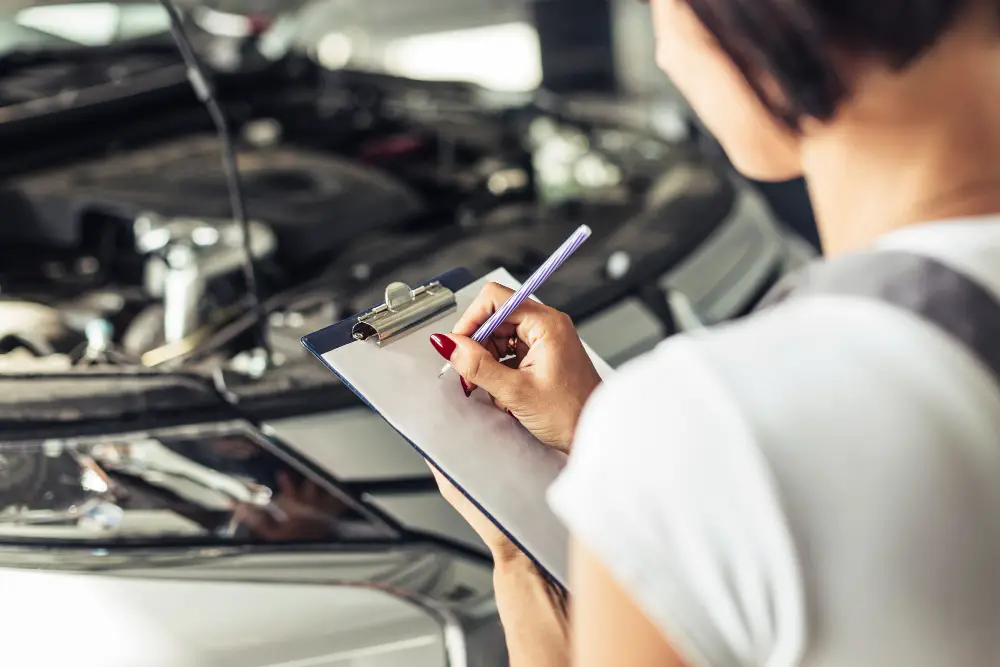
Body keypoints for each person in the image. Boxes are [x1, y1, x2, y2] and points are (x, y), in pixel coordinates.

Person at [425, 1, 1000, 666]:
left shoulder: (713, 427)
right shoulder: (707, 440)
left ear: (757, 26)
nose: (667, 56)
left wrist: (520, 558)